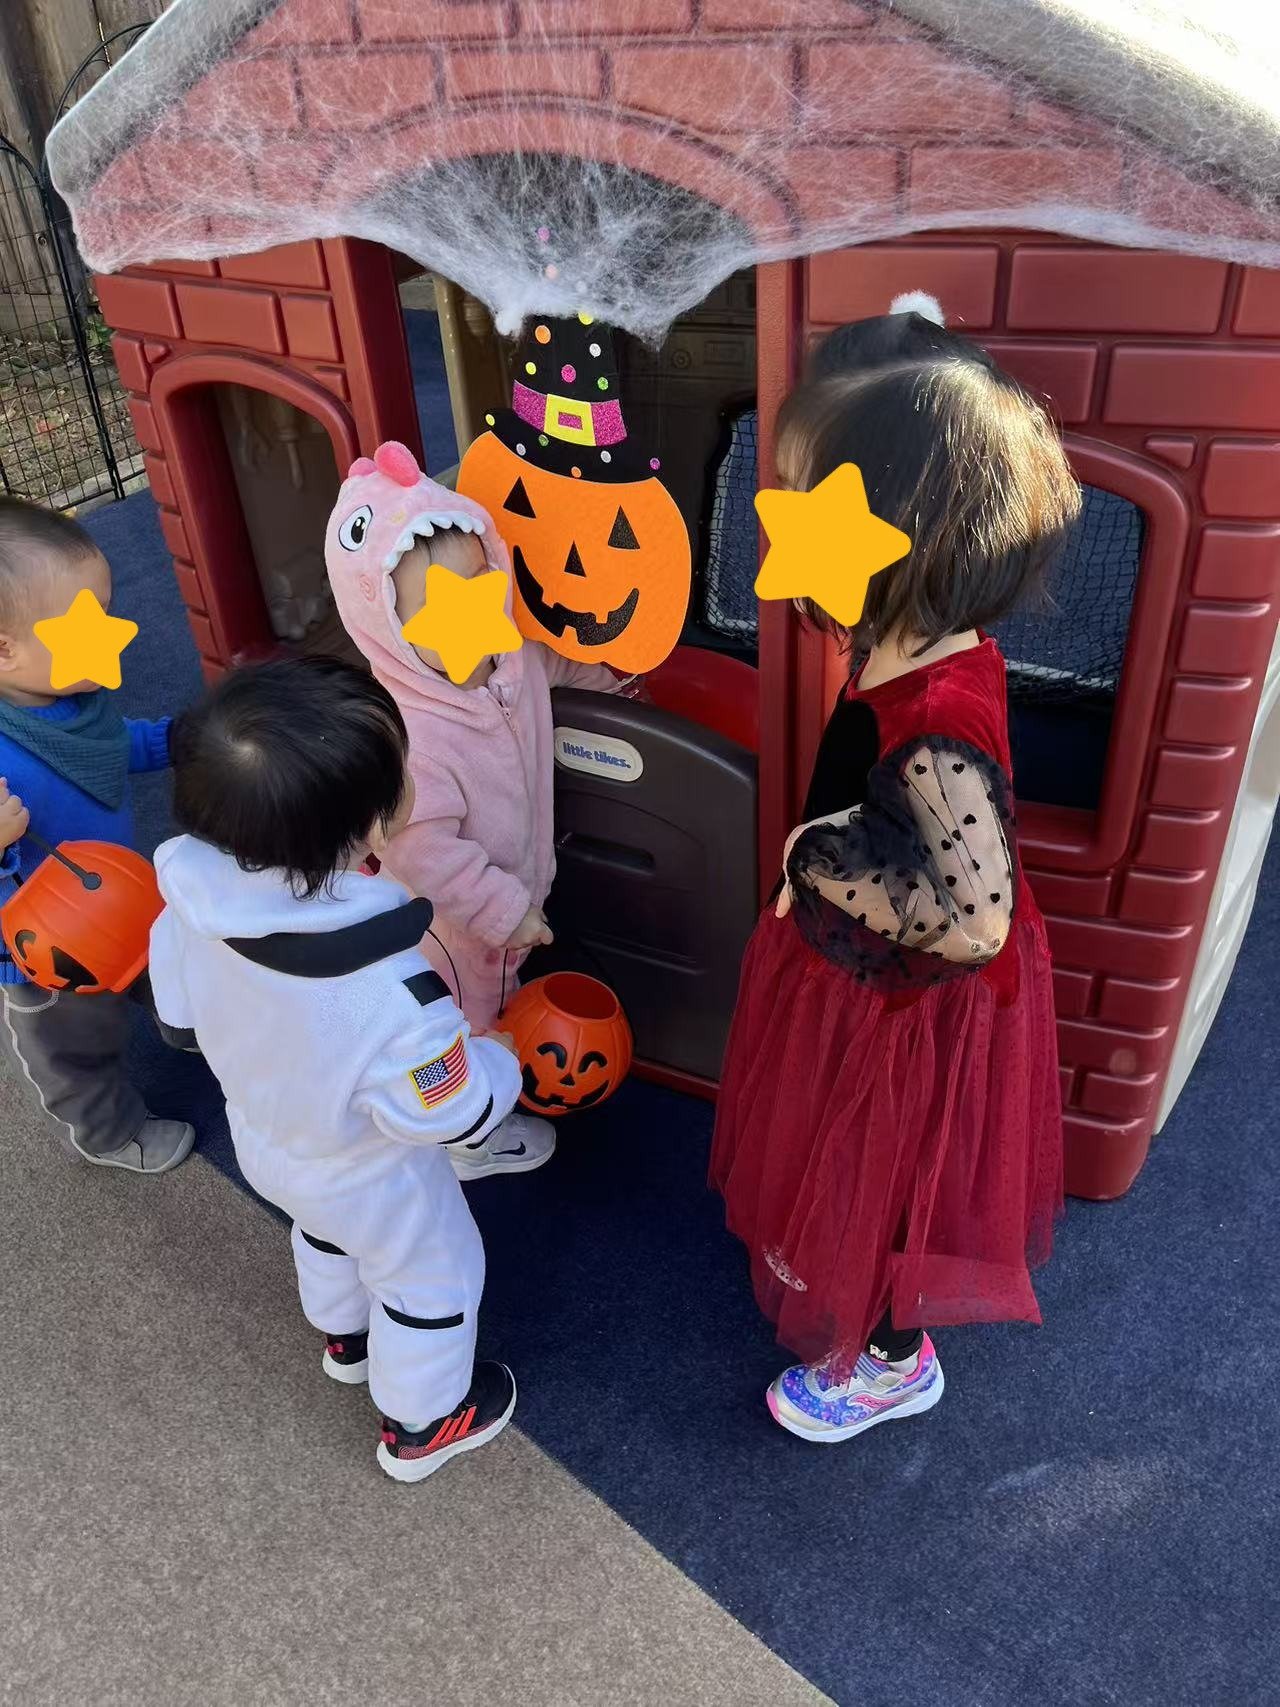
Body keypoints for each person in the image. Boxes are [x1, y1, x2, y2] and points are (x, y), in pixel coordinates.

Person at [711, 299, 1081, 1443]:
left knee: (886, 1170)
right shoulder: (908, 641)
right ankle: (849, 1283)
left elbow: (974, 917)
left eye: (808, 510)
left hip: (903, 1009)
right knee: (834, 1144)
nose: (784, 540)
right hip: (857, 973)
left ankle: (885, 1355)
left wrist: (811, 856)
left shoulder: (934, 718)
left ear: (896, 546)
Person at [149, 656, 524, 1483]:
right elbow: (450, 1112)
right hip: (373, 1172)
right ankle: (425, 1419)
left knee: (320, 1233)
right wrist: (505, 1063)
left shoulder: (191, 897)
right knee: (433, 1274)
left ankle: (345, 1335)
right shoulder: (390, 989)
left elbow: (176, 1019)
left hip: (265, 1133)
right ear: (373, 834)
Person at [325, 441, 626, 1182]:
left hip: (511, 898)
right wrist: (502, 909)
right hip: (447, 927)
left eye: (481, 591)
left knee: (500, 996)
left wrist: (616, 691)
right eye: (439, 615)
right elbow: (421, 853)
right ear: (389, 631)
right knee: (454, 1023)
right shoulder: (411, 736)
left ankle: (479, 1081)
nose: (471, 624)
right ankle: (465, 1140)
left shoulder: (507, 651)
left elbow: (556, 666)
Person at [0, 496, 192, 1173]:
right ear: (5, 649)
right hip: (50, 957)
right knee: (79, 1046)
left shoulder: (74, 697)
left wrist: (173, 738)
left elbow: (114, 746)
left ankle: (193, 1025)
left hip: (122, 899)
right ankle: (108, 1130)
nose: (113, 632)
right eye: (89, 623)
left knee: (168, 964)